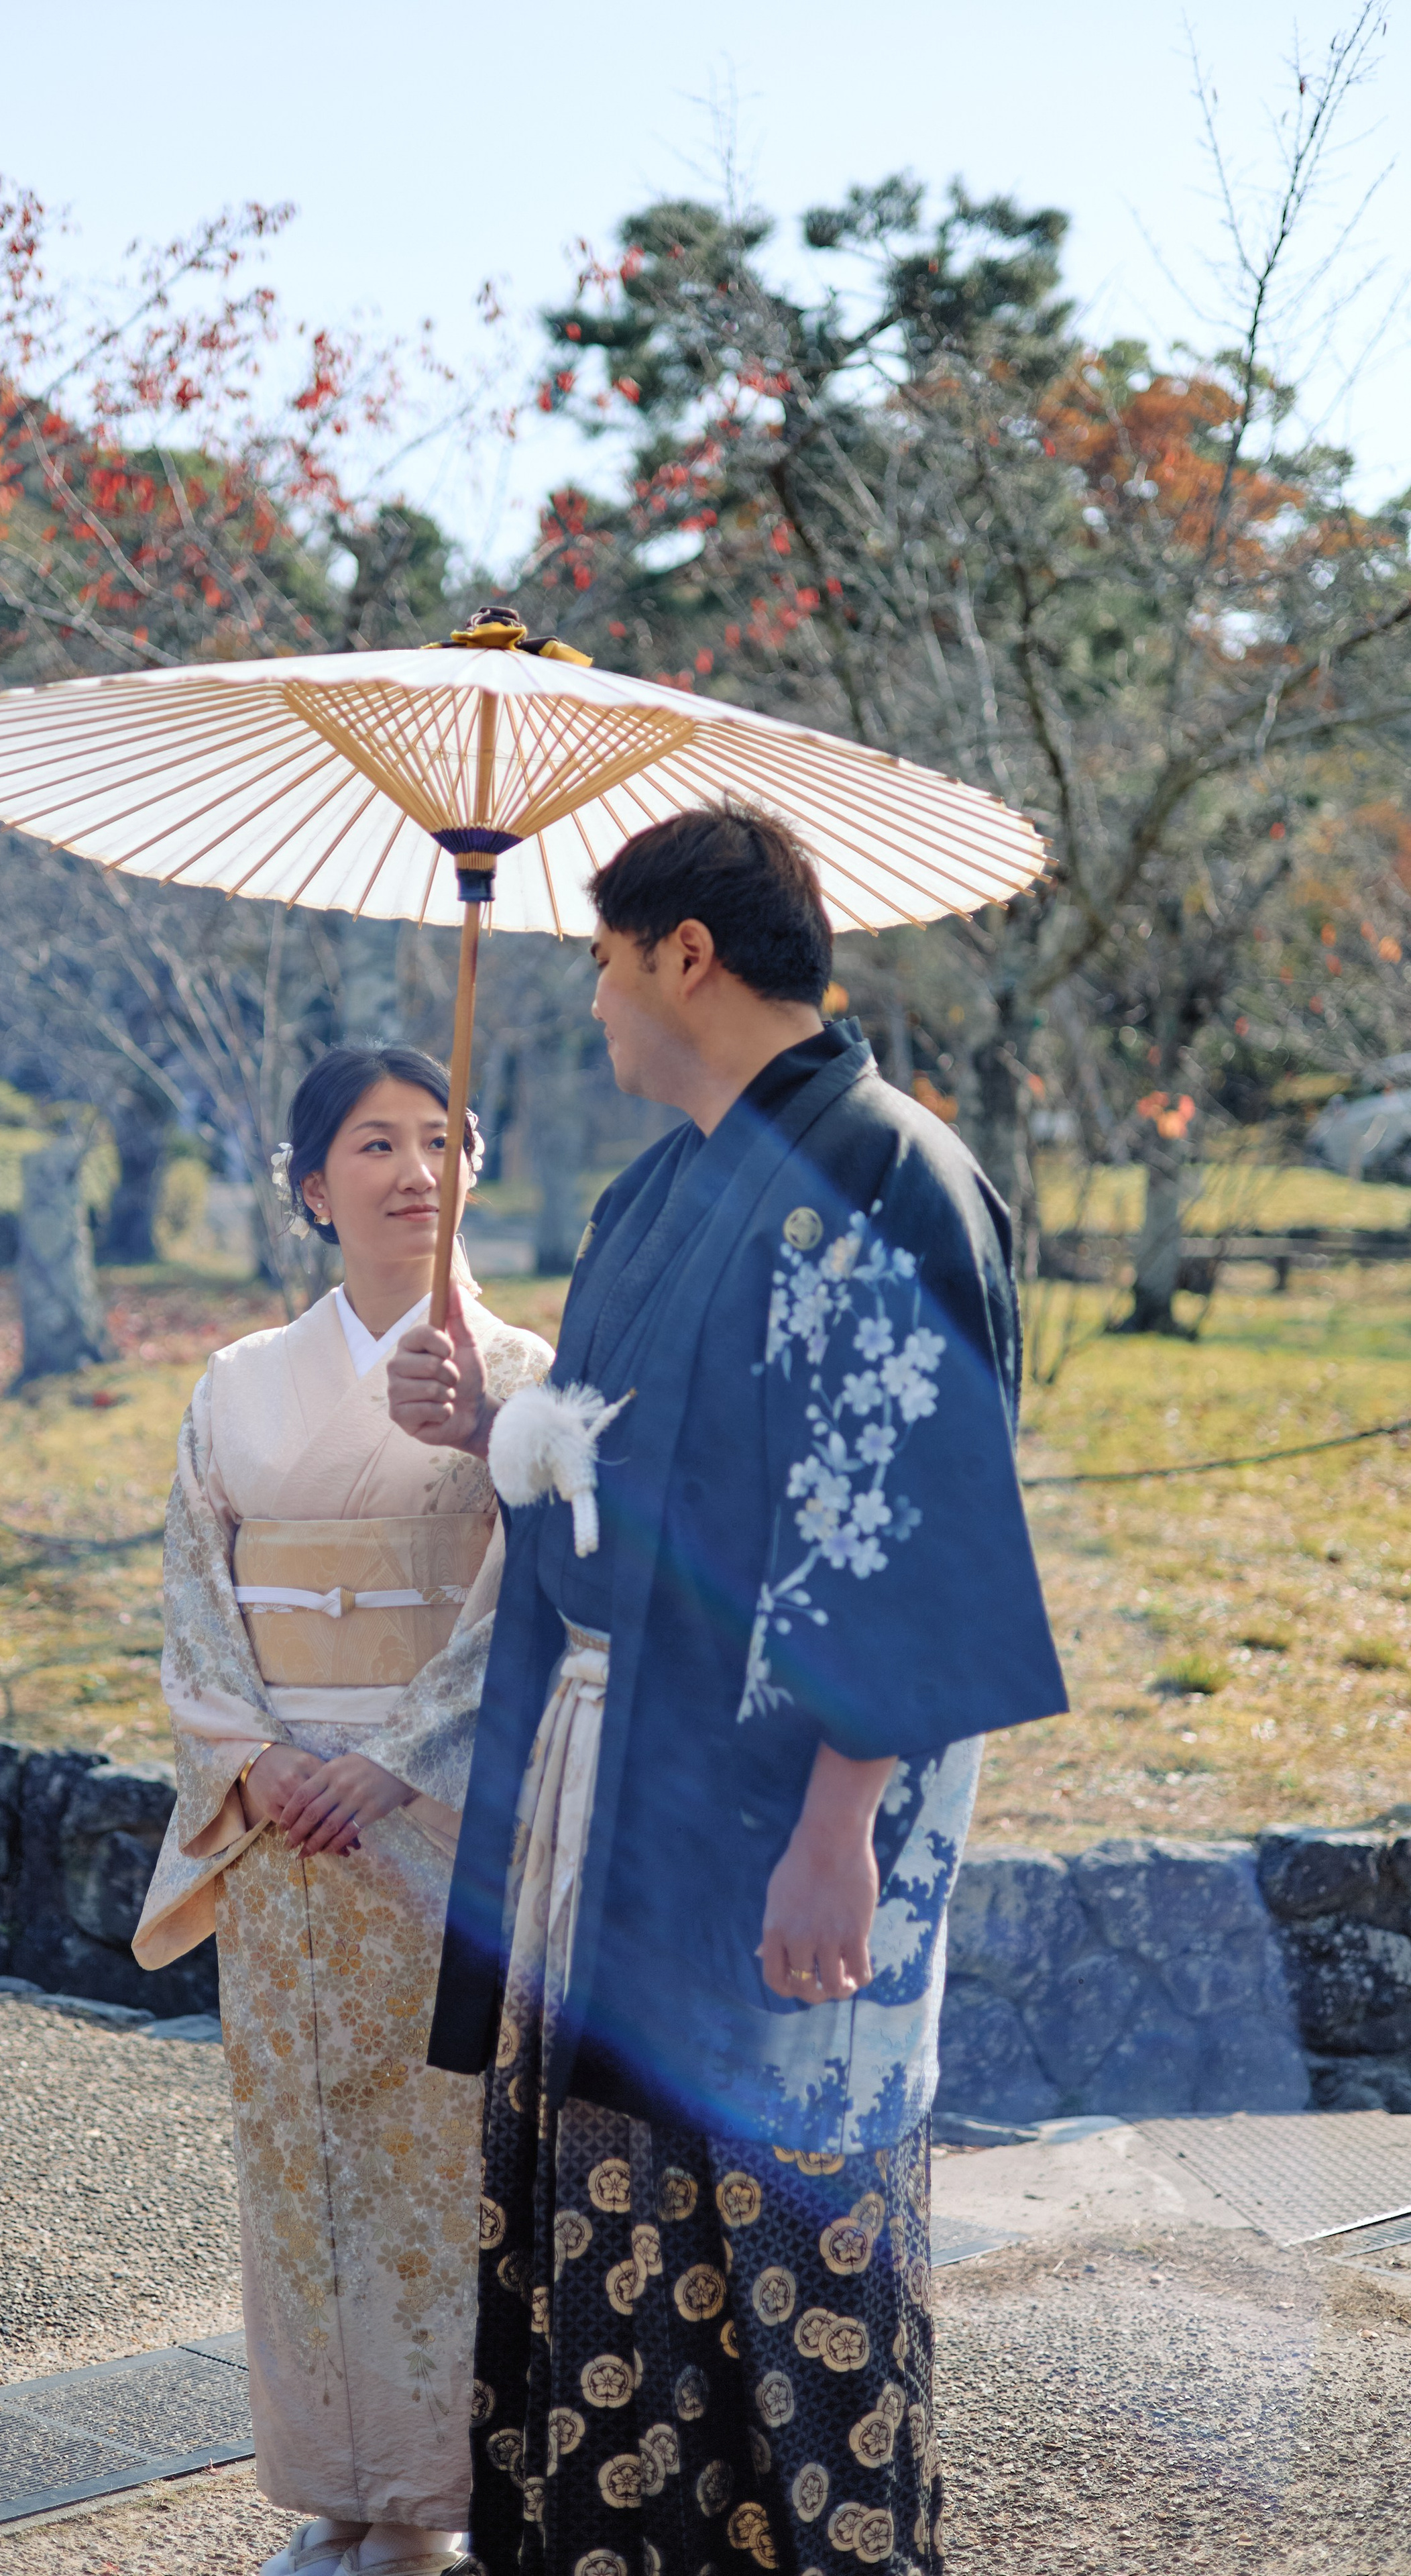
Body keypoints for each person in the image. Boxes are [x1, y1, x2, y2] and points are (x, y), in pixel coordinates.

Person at [388, 809, 1066, 2576]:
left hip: (777, 1817)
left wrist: (841, 1828)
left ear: (687, 951)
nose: (595, 1004)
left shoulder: (888, 1173)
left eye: (604, 961)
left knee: (775, 2237)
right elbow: (612, 1490)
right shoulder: (656, 1189)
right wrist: (493, 1429)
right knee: (599, 2233)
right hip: (605, 1798)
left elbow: (913, 1529)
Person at [133, 1043, 553, 2576]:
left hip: (427, 1825)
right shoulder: (238, 1383)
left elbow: (534, 1598)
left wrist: (391, 1758)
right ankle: (335, 2483)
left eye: (441, 1141)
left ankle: (431, 2501)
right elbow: (193, 1585)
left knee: (441, 2158)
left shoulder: (517, 1382)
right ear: (310, 1188)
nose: (413, 1174)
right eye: (374, 1146)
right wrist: (254, 1757)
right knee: (296, 2149)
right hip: (279, 1829)